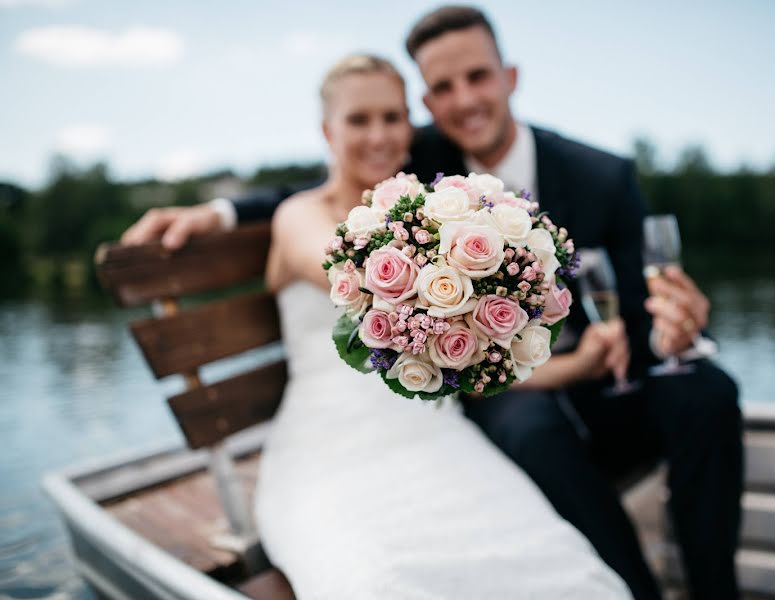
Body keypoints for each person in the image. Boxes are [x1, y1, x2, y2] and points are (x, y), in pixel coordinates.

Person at [122, 7, 742, 599]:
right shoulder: (411, 169)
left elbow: (643, 310)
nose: (464, 101)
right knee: (520, 439)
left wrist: (675, 329)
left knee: (707, 393)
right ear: (427, 106)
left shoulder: (593, 175)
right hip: (432, 404)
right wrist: (218, 210)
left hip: (557, 382)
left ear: (510, 78)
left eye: (478, 77)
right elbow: (312, 203)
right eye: (443, 87)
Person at [252, 53, 632, 598]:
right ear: (326, 131)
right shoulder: (299, 217)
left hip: (435, 432)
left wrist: (573, 353)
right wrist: (494, 254)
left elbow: (473, 366)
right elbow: (348, 271)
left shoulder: (429, 220)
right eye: (359, 120)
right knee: (380, 582)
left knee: (556, 569)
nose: (379, 135)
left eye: (392, 117)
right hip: (328, 447)